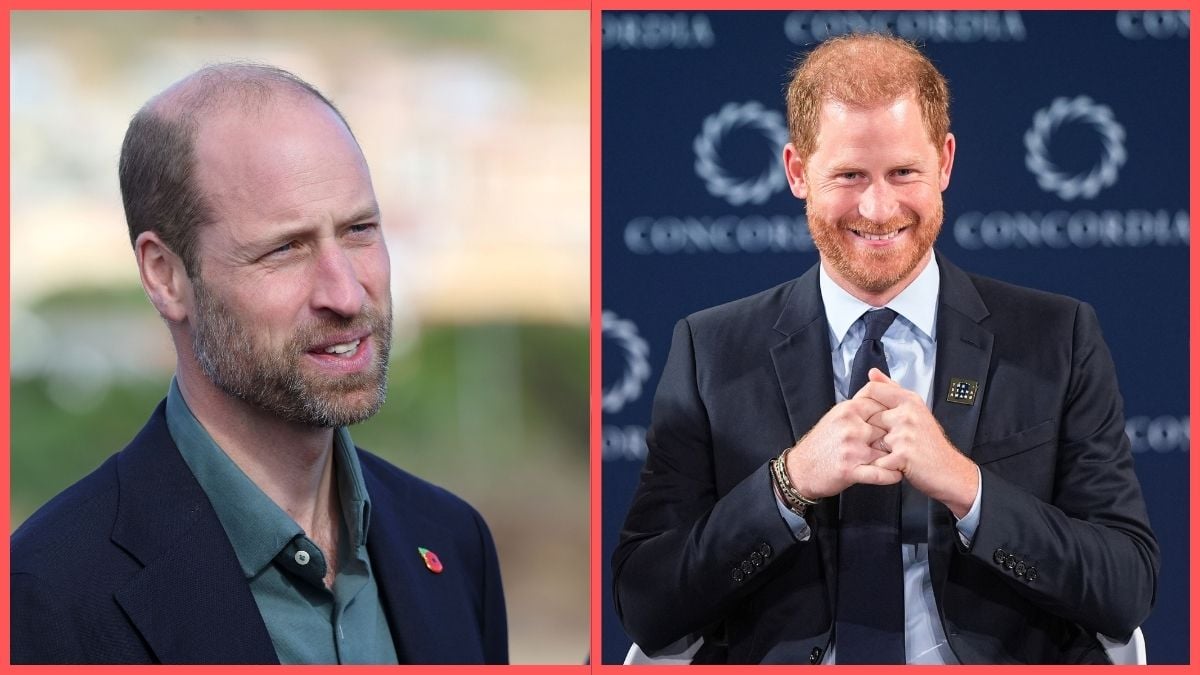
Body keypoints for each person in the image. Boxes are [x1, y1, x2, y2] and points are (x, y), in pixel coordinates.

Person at [612, 33, 1158, 664]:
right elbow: (648, 603)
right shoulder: (711, 351)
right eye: (848, 175)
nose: (878, 208)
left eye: (904, 172)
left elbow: (1126, 586)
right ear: (796, 172)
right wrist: (786, 486)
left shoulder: (1056, 338)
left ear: (946, 163)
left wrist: (967, 488)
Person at [11, 63, 508, 665]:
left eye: (359, 230)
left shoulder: (453, 544)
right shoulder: (46, 597)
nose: (346, 294)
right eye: (285, 248)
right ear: (166, 276)